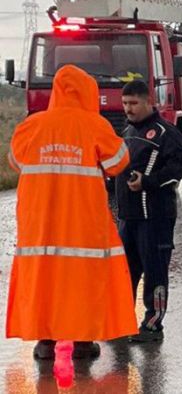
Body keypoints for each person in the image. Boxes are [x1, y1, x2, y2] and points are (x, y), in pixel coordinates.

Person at [6, 65, 138, 360]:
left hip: (39, 220)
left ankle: (45, 341)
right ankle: (82, 342)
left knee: (43, 277)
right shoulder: (94, 125)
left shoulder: (32, 125)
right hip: (82, 220)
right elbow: (118, 161)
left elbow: (15, 160)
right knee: (82, 277)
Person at [115, 80, 182, 342]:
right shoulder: (126, 132)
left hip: (155, 216)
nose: (128, 109)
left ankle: (153, 324)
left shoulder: (165, 133)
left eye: (134, 103)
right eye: (125, 104)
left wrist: (148, 182)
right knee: (125, 272)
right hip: (128, 217)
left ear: (149, 102)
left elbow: (179, 168)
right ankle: (122, 323)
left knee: (155, 270)